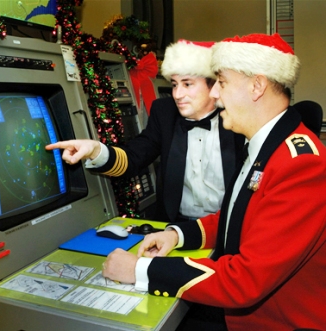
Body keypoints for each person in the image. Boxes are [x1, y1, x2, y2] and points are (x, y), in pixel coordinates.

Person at [101, 33, 326, 330]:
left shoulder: (301, 165)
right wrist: (176, 236)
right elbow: (239, 216)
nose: (215, 94)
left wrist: (140, 269)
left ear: (257, 86)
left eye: (222, 82)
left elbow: (246, 281)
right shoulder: (267, 144)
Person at [46, 40, 244, 222]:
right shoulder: (165, 113)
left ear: (214, 86)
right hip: (176, 226)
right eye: (174, 85)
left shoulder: (239, 116)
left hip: (229, 227)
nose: (177, 94)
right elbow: (134, 156)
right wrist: (95, 150)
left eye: (187, 84)